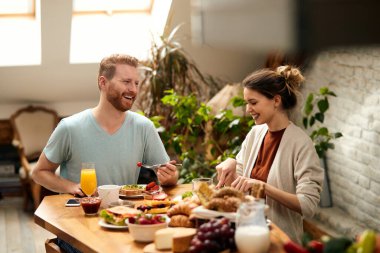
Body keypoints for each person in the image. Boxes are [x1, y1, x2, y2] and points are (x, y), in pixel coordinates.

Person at [32, 53, 178, 198]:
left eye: (136, 83)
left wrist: (170, 177)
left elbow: (169, 175)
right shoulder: (70, 127)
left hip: (124, 215)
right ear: (103, 82)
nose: (133, 90)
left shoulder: (144, 127)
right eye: (126, 82)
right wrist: (71, 186)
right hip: (79, 215)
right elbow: (39, 172)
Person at [215, 65, 324, 243]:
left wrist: (264, 187)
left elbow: (308, 205)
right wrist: (231, 163)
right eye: (247, 103)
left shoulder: (301, 144)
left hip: (281, 241)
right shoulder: (255, 133)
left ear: (276, 101)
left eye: (253, 102)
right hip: (248, 233)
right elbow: (240, 184)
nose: (248, 109)